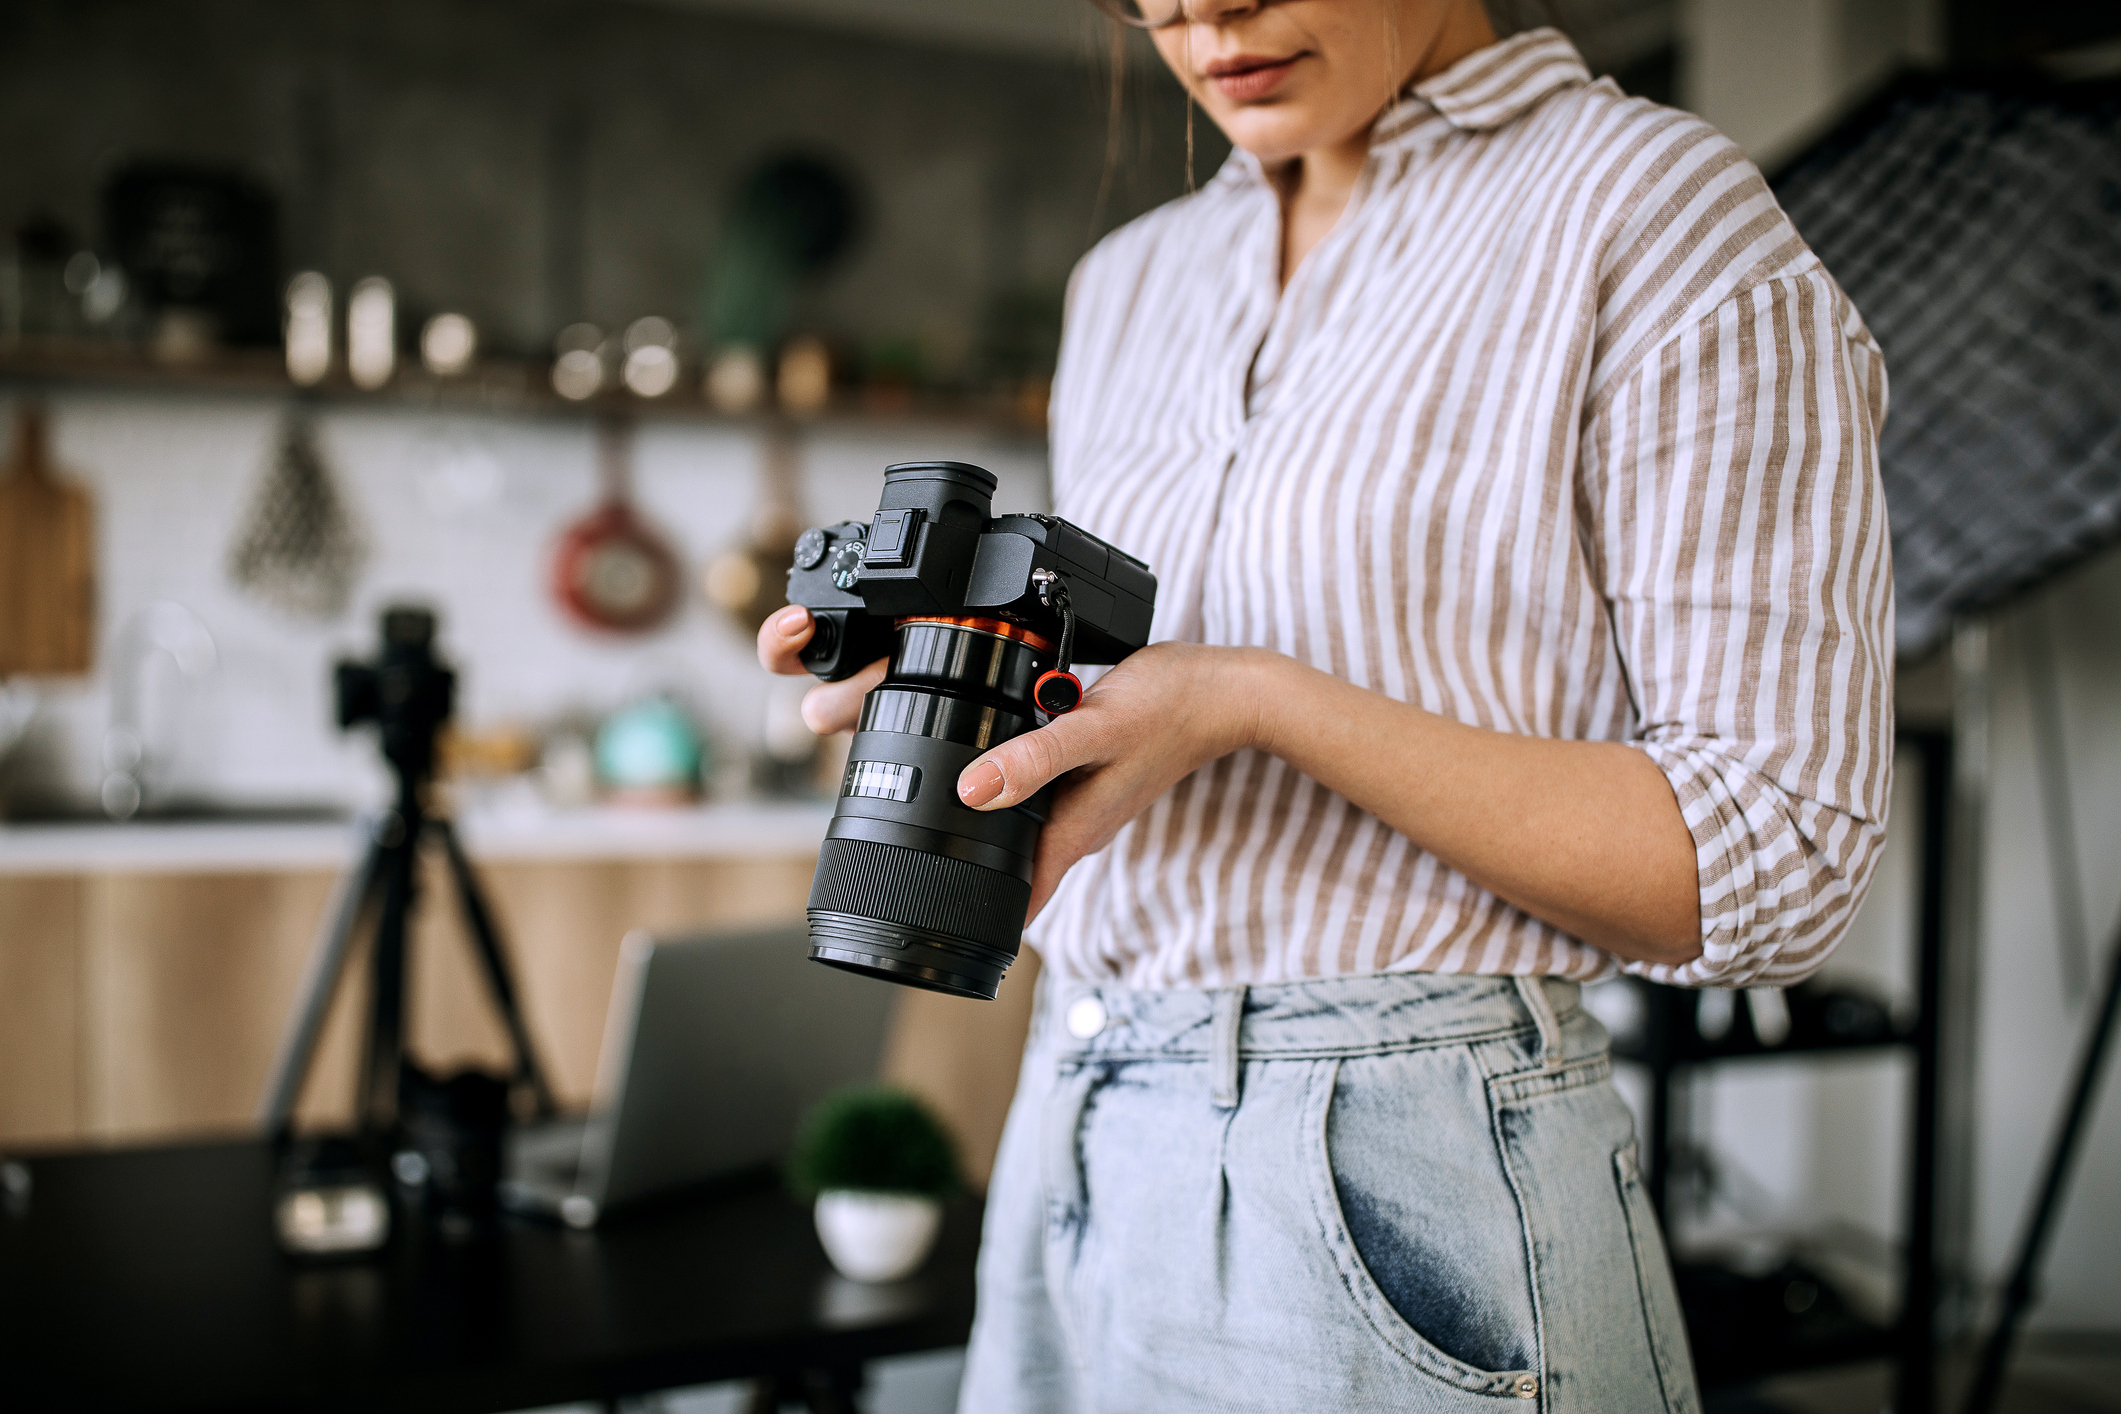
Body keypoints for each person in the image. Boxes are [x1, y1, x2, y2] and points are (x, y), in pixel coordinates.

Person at [759, 0, 1892, 1407]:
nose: (1199, 17)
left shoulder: (1650, 212)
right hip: (1073, 1119)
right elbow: (1130, 710)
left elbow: (1771, 863)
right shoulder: (1130, 280)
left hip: (1400, 1161)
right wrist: (973, 691)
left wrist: (1257, 700)